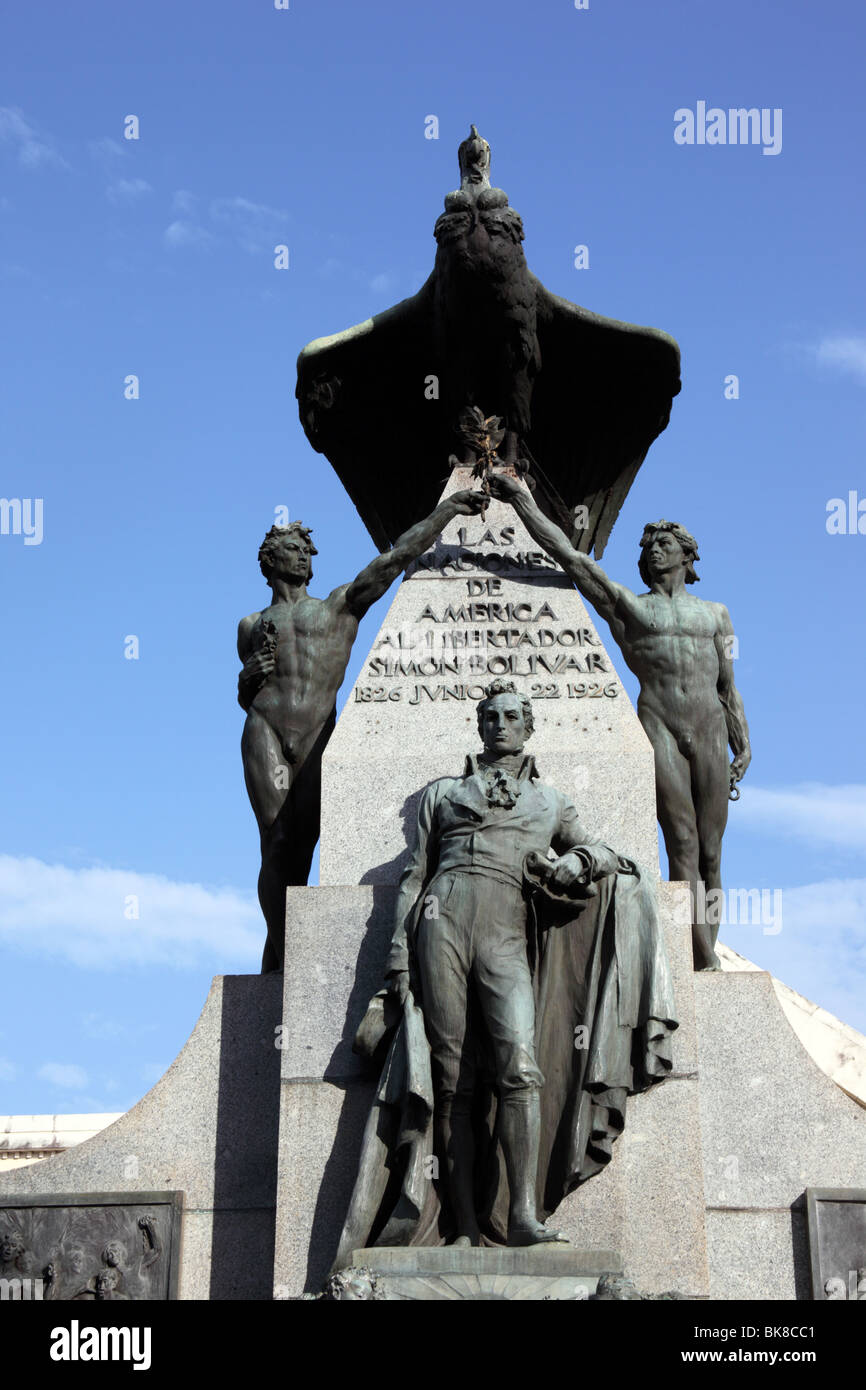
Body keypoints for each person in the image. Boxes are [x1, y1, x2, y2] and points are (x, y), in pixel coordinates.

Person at [334, 680, 676, 1260]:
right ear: (479, 724)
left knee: (520, 1067)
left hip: (505, 927)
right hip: (441, 921)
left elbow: (607, 856)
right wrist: (397, 956)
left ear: (528, 727)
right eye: (489, 714)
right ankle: (462, 1222)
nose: (499, 723)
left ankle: (521, 1214)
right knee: (452, 1078)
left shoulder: (551, 802)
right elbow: (414, 877)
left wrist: (576, 860)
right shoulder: (441, 794)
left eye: (511, 715)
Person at [489, 473, 751, 971]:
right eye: (650, 545)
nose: (655, 551)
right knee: (683, 841)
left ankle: (708, 942)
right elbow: (573, 560)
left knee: (714, 852)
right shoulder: (631, 608)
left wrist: (744, 742)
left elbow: (727, 686)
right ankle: (698, 951)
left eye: (666, 544)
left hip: (712, 728)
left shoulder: (716, 614)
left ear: (687, 556)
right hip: (661, 725)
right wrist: (524, 502)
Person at [238, 488, 486, 972]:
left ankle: (283, 950)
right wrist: (245, 679)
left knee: (305, 840)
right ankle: (281, 956)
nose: (307, 556)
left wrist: (446, 510)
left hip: (315, 736)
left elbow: (393, 560)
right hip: (263, 729)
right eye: (295, 548)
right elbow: (248, 693)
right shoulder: (251, 625)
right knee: (277, 842)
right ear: (270, 560)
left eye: (309, 551)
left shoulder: (338, 606)